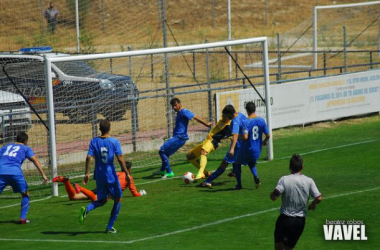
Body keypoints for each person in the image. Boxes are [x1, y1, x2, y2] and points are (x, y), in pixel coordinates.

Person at [79, 119, 131, 234]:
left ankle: (87, 209)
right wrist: (127, 173)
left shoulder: (94, 141)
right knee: (118, 199)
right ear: (110, 128)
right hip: (110, 176)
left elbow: (88, 157)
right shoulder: (114, 142)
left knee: (102, 200)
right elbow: (120, 158)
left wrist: (86, 173)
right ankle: (109, 226)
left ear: (100, 129)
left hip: (99, 175)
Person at [270, 154, 322, 250]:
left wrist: (272, 195)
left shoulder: (284, 179)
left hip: (285, 219)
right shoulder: (309, 181)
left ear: (290, 167)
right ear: (302, 167)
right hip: (299, 222)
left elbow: (275, 196)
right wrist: (312, 205)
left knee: (279, 248)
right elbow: (318, 198)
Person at [153, 98, 211, 179]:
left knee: (162, 150)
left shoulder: (184, 111)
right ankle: (163, 170)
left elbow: (195, 117)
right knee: (165, 153)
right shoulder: (180, 112)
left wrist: (206, 124)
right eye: (173, 106)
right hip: (178, 137)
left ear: (180, 103)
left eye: (175, 105)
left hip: (179, 137)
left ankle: (169, 172)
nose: (174, 107)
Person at [0, 132, 48, 224]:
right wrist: (43, 174)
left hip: (1, 172)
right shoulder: (26, 148)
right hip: (15, 173)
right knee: (26, 194)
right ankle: (22, 218)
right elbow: (34, 160)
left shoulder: (6, 146)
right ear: (26, 141)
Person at [199, 105, 246, 188]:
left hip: (236, 146)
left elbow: (234, 136)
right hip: (243, 145)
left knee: (224, 164)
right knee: (237, 164)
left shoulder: (234, 121)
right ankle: (239, 183)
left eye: (226, 115)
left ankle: (207, 181)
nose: (226, 117)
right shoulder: (241, 115)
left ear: (230, 114)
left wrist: (232, 149)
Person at [52, 162, 146, 201]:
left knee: (73, 197)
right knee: (96, 199)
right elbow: (134, 193)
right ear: (129, 169)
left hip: (102, 186)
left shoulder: (115, 173)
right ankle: (80, 188)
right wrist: (141, 194)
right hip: (109, 191)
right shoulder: (129, 177)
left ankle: (66, 182)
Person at [186, 105, 235, 180]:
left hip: (213, 142)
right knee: (189, 156)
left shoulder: (228, 126)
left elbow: (232, 138)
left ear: (229, 117)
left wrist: (234, 148)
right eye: (223, 115)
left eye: (225, 116)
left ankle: (201, 173)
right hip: (206, 141)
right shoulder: (223, 120)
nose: (223, 117)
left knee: (203, 152)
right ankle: (205, 172)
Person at [234, 102, 270, 189]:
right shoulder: (261, 120)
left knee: (236, 163)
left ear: (246, 110)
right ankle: (256, 177)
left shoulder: (245, 122)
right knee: (251, 162)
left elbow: (245, 137)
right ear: (255, 109)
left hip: (247, 149)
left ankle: (239, 185)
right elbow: (268, 135)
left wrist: (237, 136)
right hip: (257, 149)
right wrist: (263, 142)